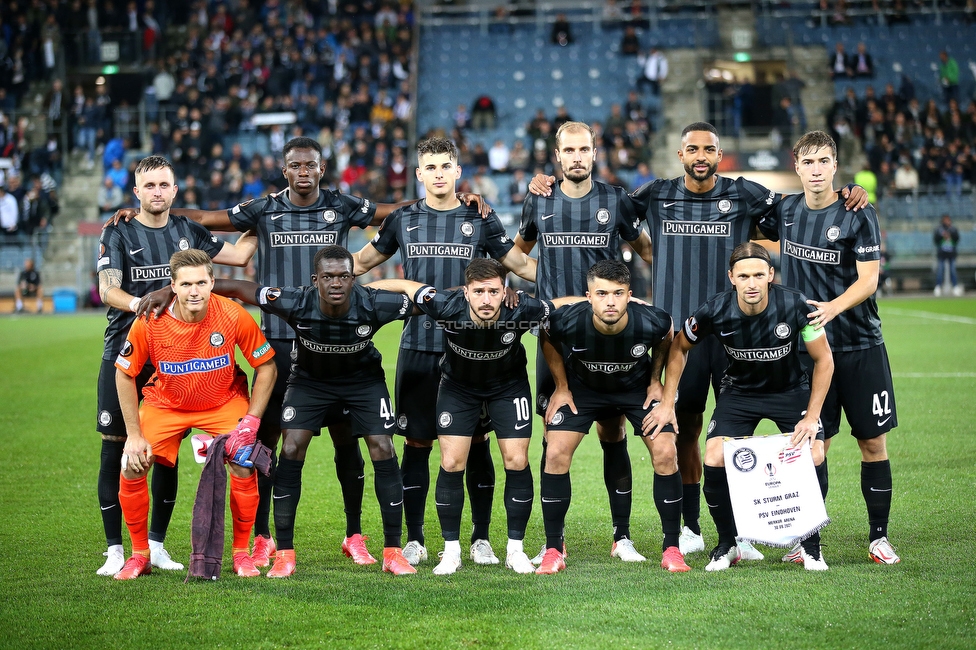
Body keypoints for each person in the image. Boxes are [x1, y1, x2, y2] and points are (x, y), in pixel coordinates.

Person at [125, 137, 487, 570]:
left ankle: (355, 534)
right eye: (294, 165)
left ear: (321, 168)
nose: (302, 171)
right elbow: (206, 219)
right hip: (279, 340)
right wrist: (151, 212)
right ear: (285, 169)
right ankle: (263, 538)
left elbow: (394, 211)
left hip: (342, 342)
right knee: (267, 442)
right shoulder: (264, 208)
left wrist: (448, 195)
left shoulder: (343, 205)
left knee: (349, 442)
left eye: (310, 165)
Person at [530, 122, 864, 560]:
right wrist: (549, 184)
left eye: (709, 148)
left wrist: (844, 191)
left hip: (737, 336)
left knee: (737, 435)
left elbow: (799, 205)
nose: (701, 155)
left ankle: (743, 530)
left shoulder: (744, 193)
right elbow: (600, 204)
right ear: (681, 154)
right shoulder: (655, 194)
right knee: (686, 431)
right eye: (692, 148)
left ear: (719, 154)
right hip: (679, 337)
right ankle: (690, 528)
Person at [352, 136, 538, 567]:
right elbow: (360, 264)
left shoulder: (480, 218)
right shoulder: (402, 219)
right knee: (416, 444)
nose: (438, 174)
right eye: (429, 167)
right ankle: (415, 538)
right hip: (418, 348)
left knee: (476, 446)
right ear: (419, 174)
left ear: (458, 171)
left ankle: (481, 538)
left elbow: (519, 265)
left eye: (445, 166)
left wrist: (563, 284)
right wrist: (323, 270)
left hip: (476, 353)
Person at [95, 155, 256, 577]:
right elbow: (106, 288)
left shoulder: (188, 231)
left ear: (175, 189)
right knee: (121, 448)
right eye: (149, 186)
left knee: (167, 457)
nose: (157, 192)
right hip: (128, 348)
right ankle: (117, 548)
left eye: (164, 185)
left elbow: (239, 256)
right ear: (136, 191)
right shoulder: (119, 230)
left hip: (184, 353)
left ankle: (157, 545)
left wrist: (267, 216)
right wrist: (141, 304)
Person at [371, 258, 584, 575]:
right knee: (451, 462)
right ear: (466, 292)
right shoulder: (445, 303)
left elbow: (559, 305)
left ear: (505, 291)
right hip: (458, 389)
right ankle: (452, 552)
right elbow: (405, 286)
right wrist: (358, 291)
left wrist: (595, 298)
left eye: (493, 291)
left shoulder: (521, 309)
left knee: (516, 460)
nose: (486, 299)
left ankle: (515, 550)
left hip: (508, 388)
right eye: (479, 291)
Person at [213, 246, 415, 576]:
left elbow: (431, 303)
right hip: (310, 382)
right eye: (329, 277)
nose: (336, 283)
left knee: (382, 446)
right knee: (291, 446)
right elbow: (239, 288)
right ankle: (285, 554)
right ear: (315, 280)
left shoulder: (374, 302)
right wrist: (171, 290)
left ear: (354, 278)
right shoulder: (295, 300)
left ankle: (393, 551)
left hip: (363, 383)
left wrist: (464, 294)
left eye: (344, 276)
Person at [758, 130, 901, 565]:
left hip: (859, 346)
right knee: (813, 445)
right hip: (807, 352)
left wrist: (832, 309)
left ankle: (878, 536)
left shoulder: (858, 212)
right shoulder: (784, 210)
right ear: (796, 165)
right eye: (809, 161)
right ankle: (807, 539)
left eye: (824, 161)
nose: (816, 169)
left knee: (872, 442)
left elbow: (870, 279)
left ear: (834, 166)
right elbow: (750, 228)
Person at [518, 121, 656, 566]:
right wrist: (540, 293)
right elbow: (519, 253)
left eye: (584, 149)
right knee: (552, 437)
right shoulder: (538, 198)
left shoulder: (616, 200)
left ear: (594, 152)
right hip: (555, 340)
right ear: (556, 156)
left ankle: (622, 537)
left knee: (612, 432)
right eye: (568, 150)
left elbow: (650, 251)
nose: (577, 157)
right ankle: (553, 541)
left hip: (609, 337)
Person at [646, 243, 834, 571]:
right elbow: (679, 347)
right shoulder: (714, 310)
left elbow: (824, 359)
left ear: (770, 276)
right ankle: (728, 543)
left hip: (790, 391)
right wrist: (667, 401)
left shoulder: (795, 304)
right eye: (744, 275)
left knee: (814, 453)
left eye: (759, 275)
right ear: (732, 277)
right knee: (714, 456)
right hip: (740, 394)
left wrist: (813, 417)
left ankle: (810, 545)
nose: (751, 283)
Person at [112, 248, 276, 580]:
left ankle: (241, 554)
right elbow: (124, 373)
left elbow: (267, 366)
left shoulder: (232, 315)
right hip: (165, 404)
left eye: (201, 282)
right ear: (173, 285)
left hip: (222, 402)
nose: (194, 291)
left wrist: (251, 421)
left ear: (212, 282)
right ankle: (139, 554)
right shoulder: (149, 321)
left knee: (244, 462)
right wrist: (133, 435)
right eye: (186, 284)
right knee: (131, 465)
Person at [537, 260, 683, 574]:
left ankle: (671, 548)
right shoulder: (567, 320)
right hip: (584, 390)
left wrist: (656, 382)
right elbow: (546, 337)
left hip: (635, 390)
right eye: (601, 293)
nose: (610, 301)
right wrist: (561, 387)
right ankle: (553, 548)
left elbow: (668, 338)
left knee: (666, 452)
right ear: (588, 297)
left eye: (618, 293)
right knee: (556, 452)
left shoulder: (652, 321)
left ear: (630, 295)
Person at [933, 214, 962, 296]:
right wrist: (943, 236)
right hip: (942, 253)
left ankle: (955, 287)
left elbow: (957, 238)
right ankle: (938, 287)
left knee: (953, 270)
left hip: (951, 253)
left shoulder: (953, 229)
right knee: (940, 271)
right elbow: (935, 240)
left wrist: (950, 235)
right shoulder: (939, 229)